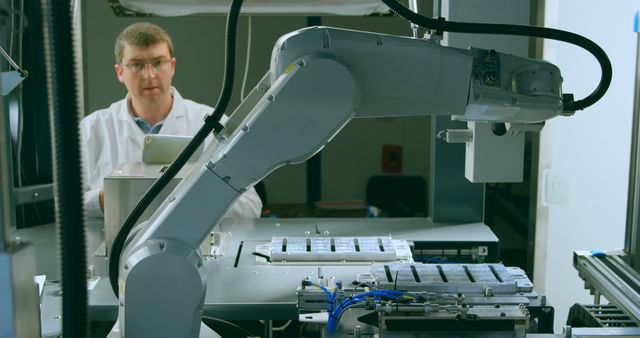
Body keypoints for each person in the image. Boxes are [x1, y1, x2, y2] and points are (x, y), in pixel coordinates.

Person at [80, 22, 262, 219]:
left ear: (172, 66)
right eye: (137, 65)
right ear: (120, 72)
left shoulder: (212, 124)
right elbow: (64, 206)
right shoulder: (91, 129)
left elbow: (250, 206)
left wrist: (198, 198)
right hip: (115, 248)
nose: (149, 75)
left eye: (158, 63)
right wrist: (107, 200)